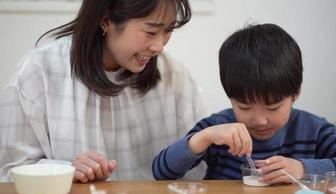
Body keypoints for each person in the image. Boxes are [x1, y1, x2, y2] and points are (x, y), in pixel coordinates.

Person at [0, 0, 206, 182]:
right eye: (151, 32)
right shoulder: (39, 72)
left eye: (168, 30)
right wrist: (66, 171)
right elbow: (11, 172)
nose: (159, 46)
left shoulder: (173, 75)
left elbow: (202, 166)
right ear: (106, 20)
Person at [152, 23, 336, 185]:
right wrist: (204, 137)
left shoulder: (312, 130)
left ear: (295, 93)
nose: (259, 120)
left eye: (273, 107)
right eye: (244, 107)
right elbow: (161, 172)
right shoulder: (219, 129)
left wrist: (302, 169)